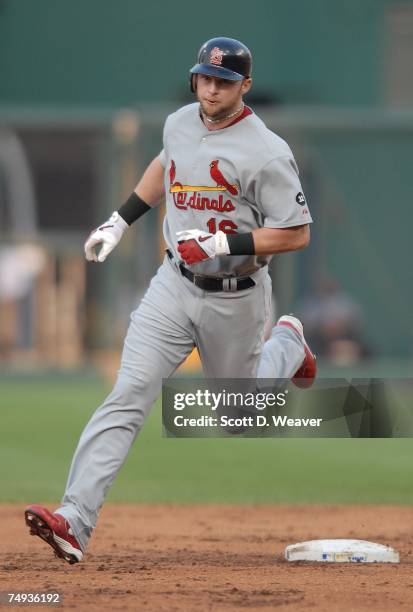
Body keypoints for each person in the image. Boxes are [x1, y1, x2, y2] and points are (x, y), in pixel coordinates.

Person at [25, 37, 316, 564]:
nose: (211, 87)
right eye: (205, 77)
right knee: (129, 391)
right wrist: (120, 219)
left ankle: (289, 342)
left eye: (224, 81)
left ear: (244, 87)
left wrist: (224, 242)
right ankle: (73, 520)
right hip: (174, 283)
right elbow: (167, 165)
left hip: (237, 295)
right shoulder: (180, 122)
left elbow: (296, 234)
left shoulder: (267, 152)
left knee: (238, 417)